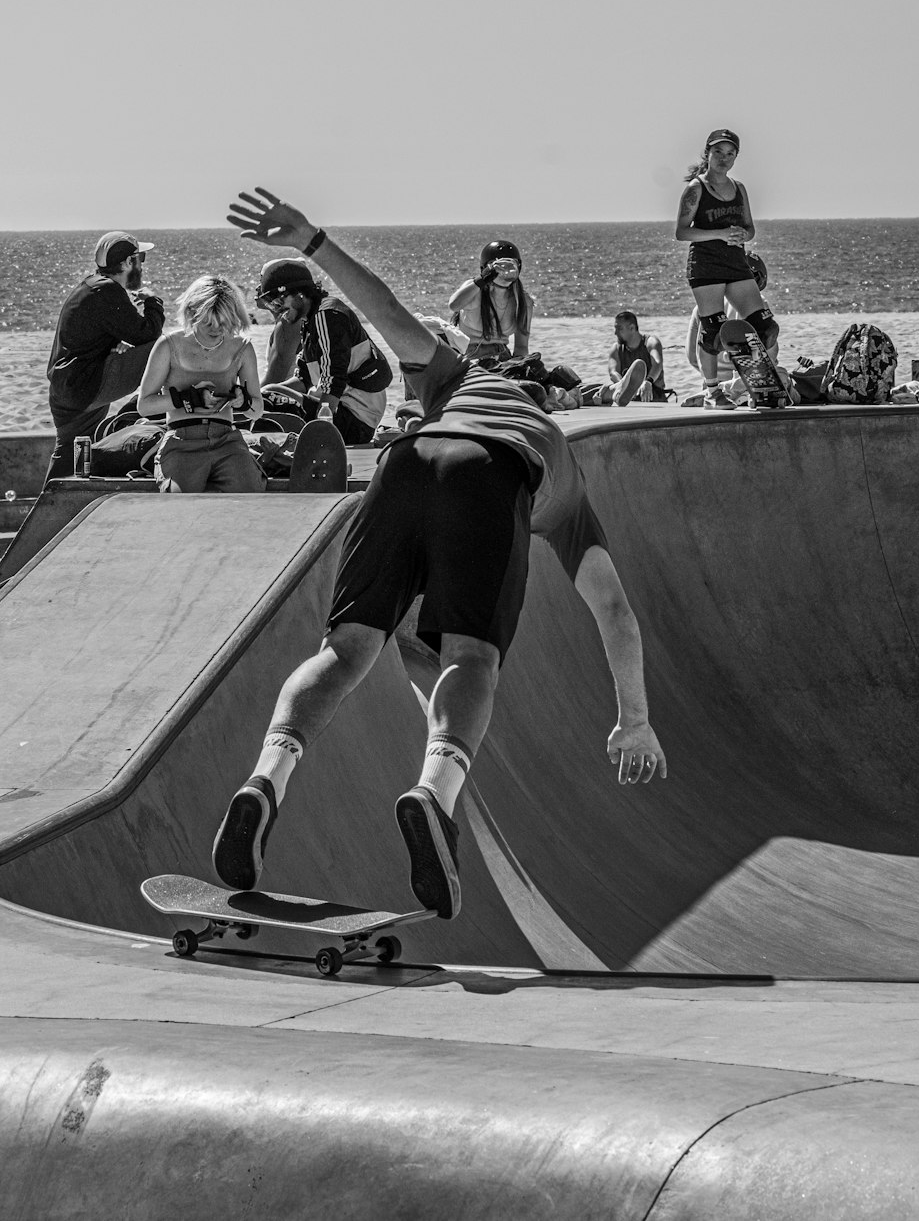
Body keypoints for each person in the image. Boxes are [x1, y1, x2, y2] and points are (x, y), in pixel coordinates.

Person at [213, 187, 666, 920]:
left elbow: (390, 317)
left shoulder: (459, 378)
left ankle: (267, 776)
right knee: (472, 658)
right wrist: (634, 718)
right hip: (493, 475)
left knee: (348, 648)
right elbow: (614, 610)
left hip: (405, 462)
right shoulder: (566, 481)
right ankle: (435, 793)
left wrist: (313, 244)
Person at [45, 231, 165, 482]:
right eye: (140, 258)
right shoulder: (107, 291)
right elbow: (148, 333)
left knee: (72, 453)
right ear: (127, 263)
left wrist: (116, 345)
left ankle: (55, 504)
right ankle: (174, 416)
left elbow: (100, 332)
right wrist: (153, 302)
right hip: (86, 386)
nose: (141, 264)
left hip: (68, 389)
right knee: (164, 347)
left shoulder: (90, 286)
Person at [675, 129, 779, 409]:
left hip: (735, 264)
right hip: (706, 266)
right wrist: (719, 234)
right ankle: (712, 392)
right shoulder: (696, 189)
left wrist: (742, 236)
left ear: (736, 157)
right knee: (712, 331)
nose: (724, 158)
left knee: (765, 327)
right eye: (718, 152)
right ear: (707, 153)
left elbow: (750, 228)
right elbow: (682, 233)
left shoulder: (739, 188)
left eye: (730, 153)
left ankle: (759, 386)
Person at [137, 275, 266, 493]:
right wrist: (188, 398)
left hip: (227, 440)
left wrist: (242, 401)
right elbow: (144, 406)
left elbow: (257, 410)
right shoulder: (168, 345)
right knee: (180, 500)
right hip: (181, 441)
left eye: (224, 323)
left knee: (251, 493)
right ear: (191, 314)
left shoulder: (242, 347)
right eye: (208, 323)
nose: (216, 330)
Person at [255, 258, 391, 445]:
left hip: (353, 419)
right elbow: (303, 379)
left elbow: (333, 381)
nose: (278, 309)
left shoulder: (327, 316)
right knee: (266, 397)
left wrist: (322, 432)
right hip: (342, 413)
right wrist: (258, 395)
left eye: (278, 301)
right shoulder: (310, 320)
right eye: (271, 305)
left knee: (271, 407)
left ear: (300, 294)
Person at [449, 240, 534, 361]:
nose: (503, 270)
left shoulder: (522, 300)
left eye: (510, 265)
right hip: (468, 355)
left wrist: (518, 367)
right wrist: (483, 279)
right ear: (486, 268)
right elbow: (454, 305)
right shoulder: (474, 289)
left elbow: (521, 346)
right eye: (497, 266)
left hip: (501, 356)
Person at [609, 312, 667, 402]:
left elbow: (657, 363)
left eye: (619, 328)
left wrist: (648, 381)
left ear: (632, 328)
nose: (615, 333)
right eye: (615, 328)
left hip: (655, 399)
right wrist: (623, 385)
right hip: (630, 402)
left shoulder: (651, 343)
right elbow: (613, 372)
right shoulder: (616, 349)